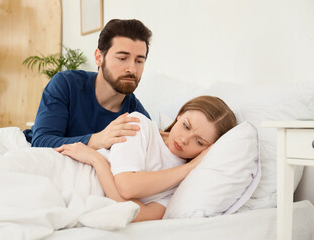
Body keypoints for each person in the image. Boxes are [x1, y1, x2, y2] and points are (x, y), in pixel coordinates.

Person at [56, 95, 237, 222]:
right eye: (186, 126)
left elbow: (136, 214)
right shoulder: (139, 124)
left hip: (79, 192)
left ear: (209, 150)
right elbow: (126, 187)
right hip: (68, 171)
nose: (183, 139)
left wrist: (98, 161)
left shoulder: (184, 186)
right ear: (179, 115)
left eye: (198, 141)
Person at [23, 19, 152, 149]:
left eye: (139, 61)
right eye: (122, 58)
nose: (132, 69)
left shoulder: (135, 113)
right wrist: (97, 140)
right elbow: (41, 142)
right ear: (99, 58)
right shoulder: (66, 84)